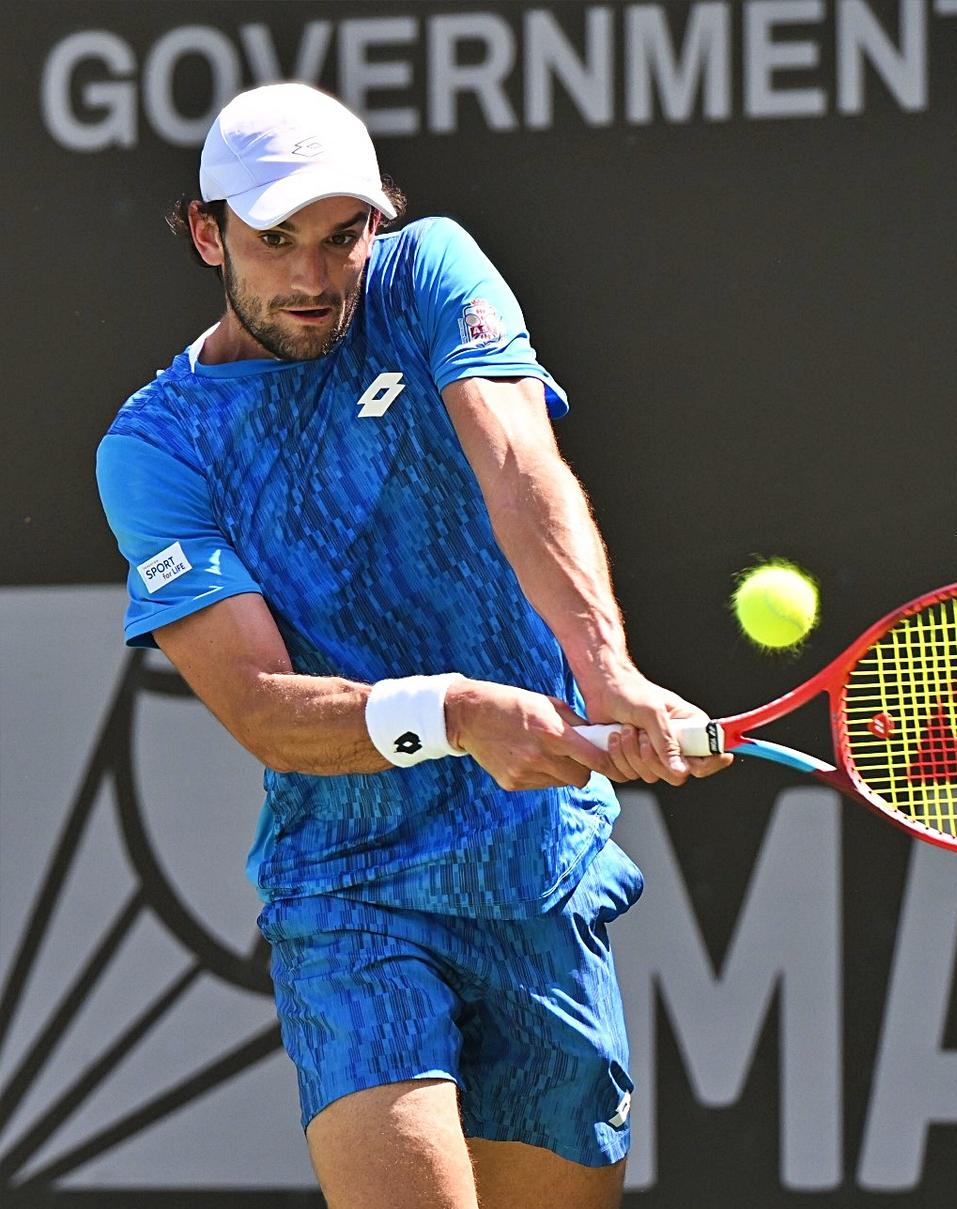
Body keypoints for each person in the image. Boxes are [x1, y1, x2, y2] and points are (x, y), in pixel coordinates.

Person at [95, 82, 728, 1209]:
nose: (312, 275)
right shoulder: (159, 447)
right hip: (349, 892)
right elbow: (261, 707)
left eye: (343, 237)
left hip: (536, 868)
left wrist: (606, 674)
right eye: (274, 239)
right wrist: (459, 714)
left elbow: (520, 472)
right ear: (206, 233)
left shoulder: (431, 272)